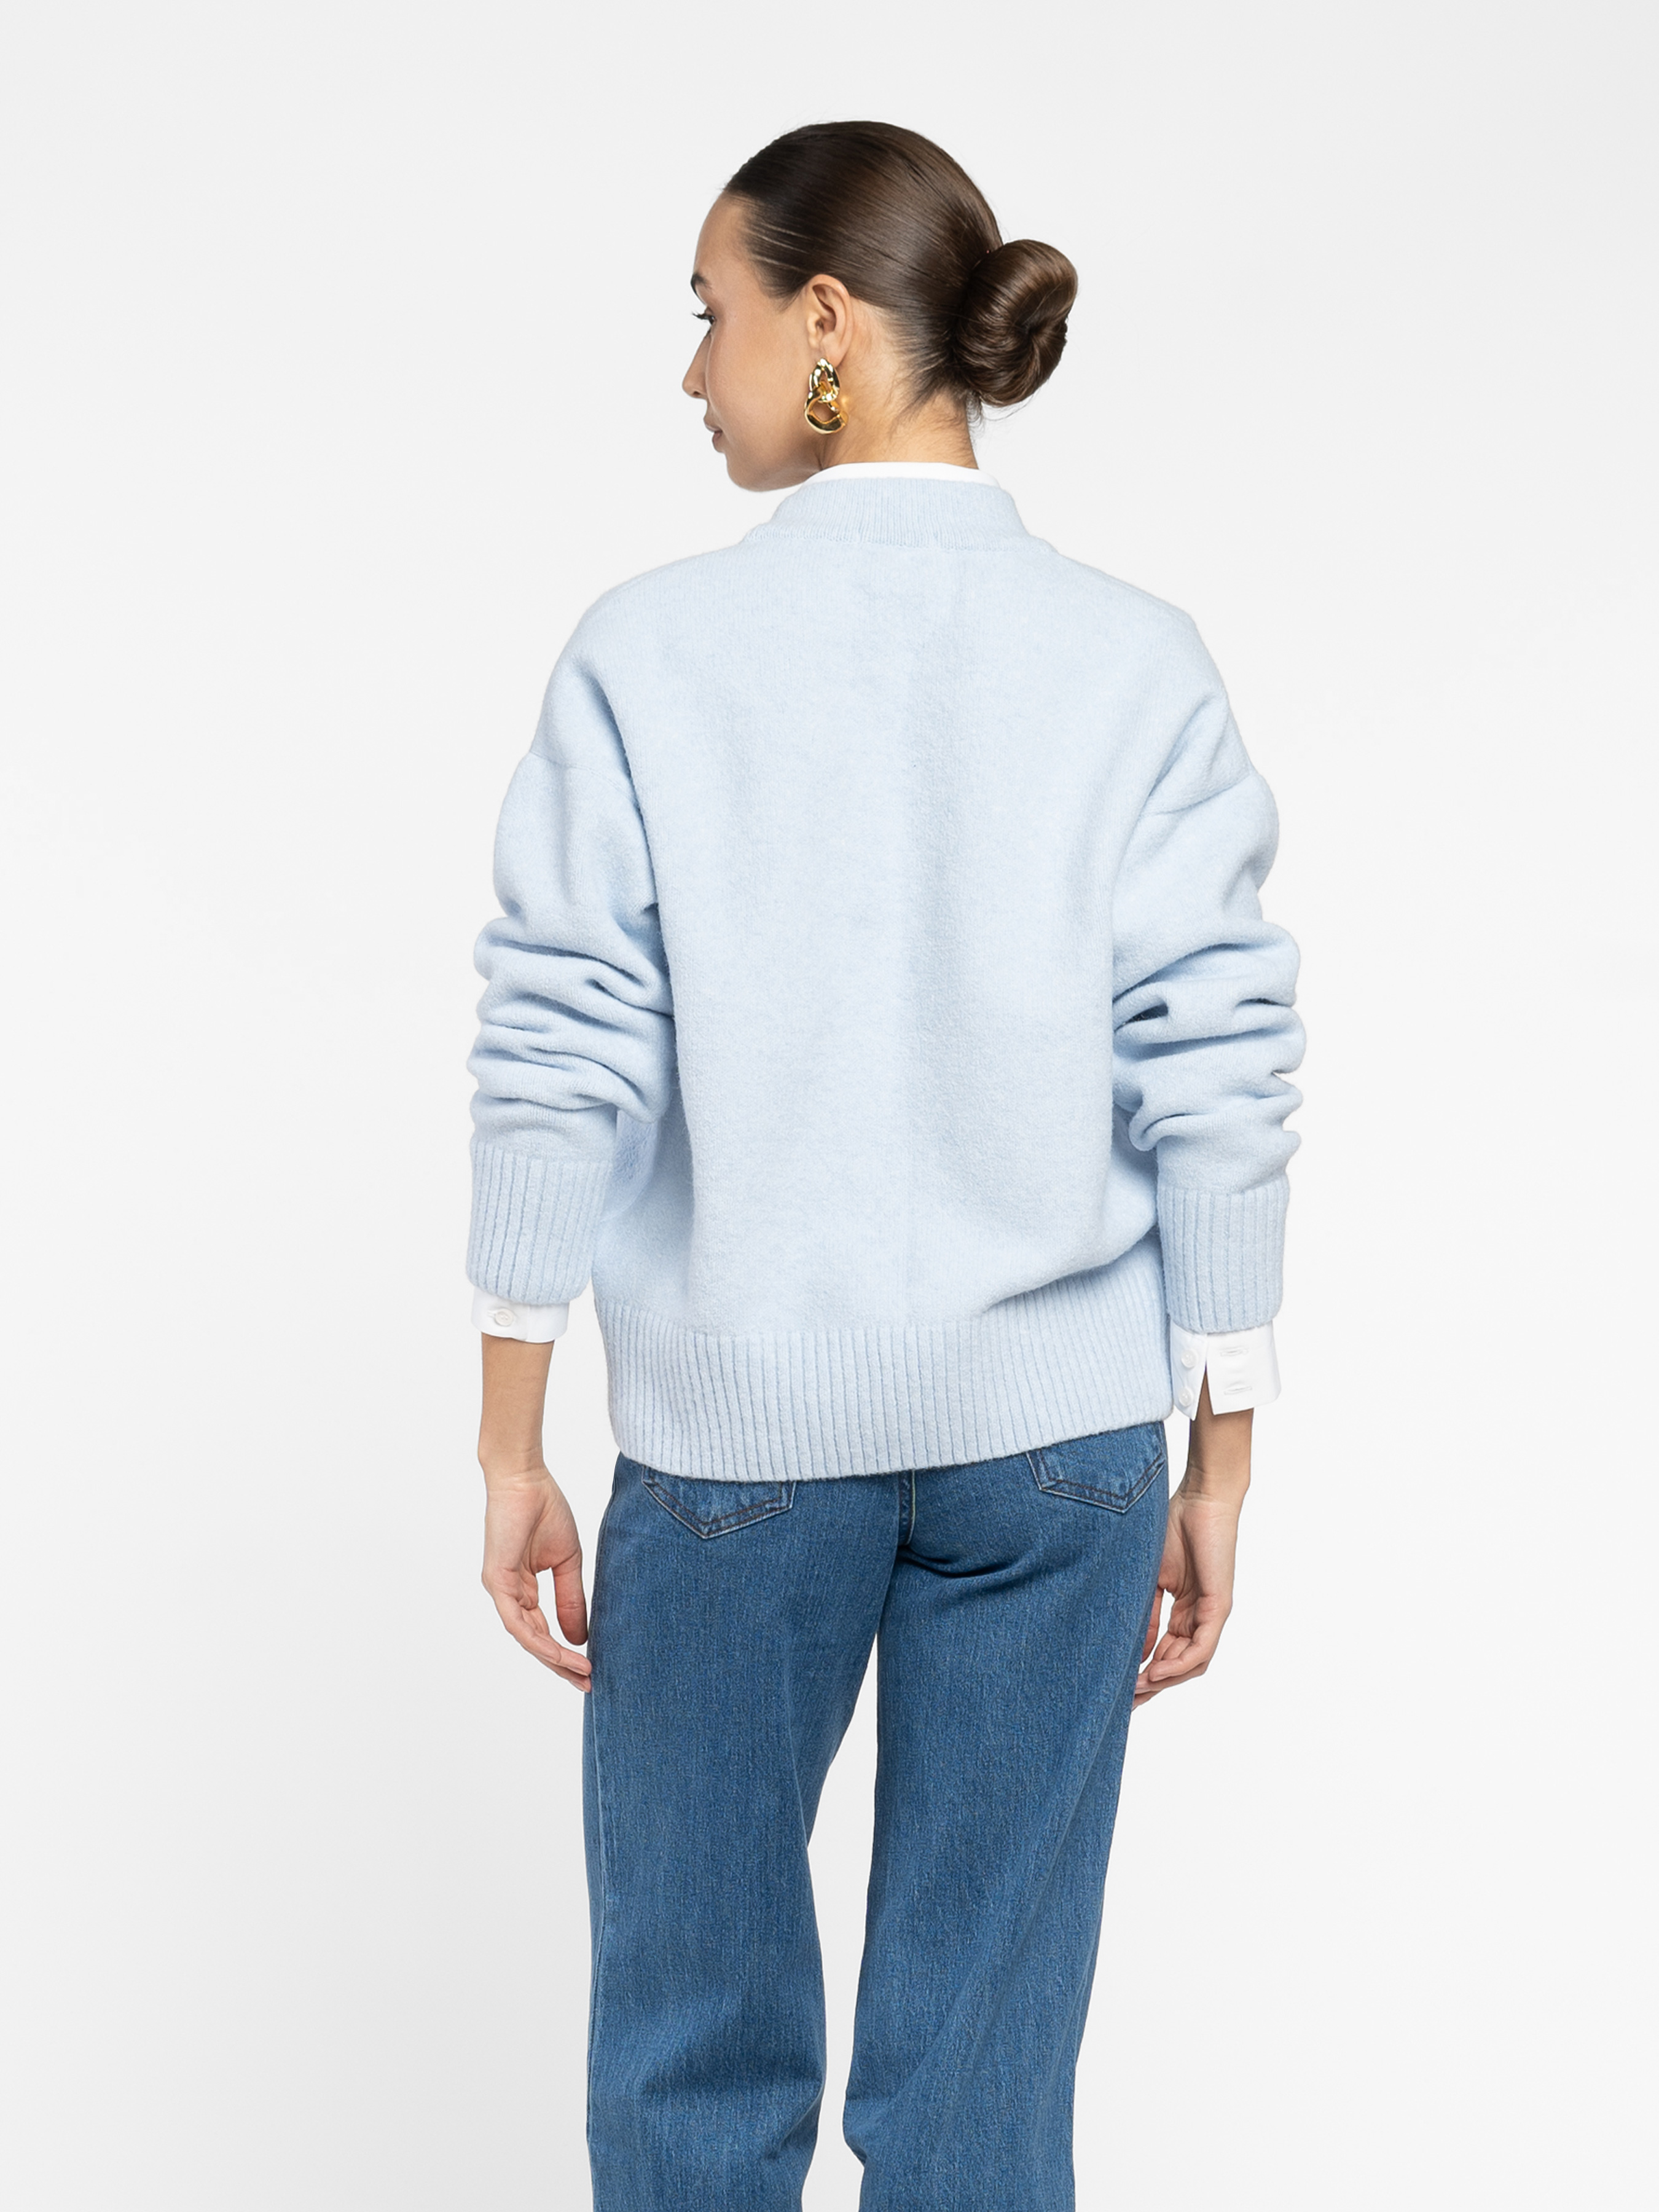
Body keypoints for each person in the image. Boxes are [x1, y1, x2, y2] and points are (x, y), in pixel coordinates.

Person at [465, 120, 1303, 2212]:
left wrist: (510, 1439)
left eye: (711, 314)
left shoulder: (650, 650)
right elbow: (1217, 1067)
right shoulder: (1135, 659)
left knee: (691, 2062)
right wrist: (1220, 1456)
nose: (694, 372)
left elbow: (562, 1046)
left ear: (826, 322)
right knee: (981, 2095)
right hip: (1062, 1454)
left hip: (736, 1452)